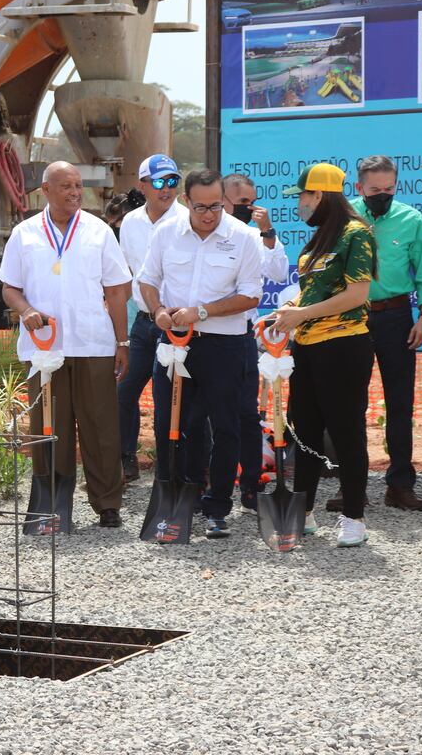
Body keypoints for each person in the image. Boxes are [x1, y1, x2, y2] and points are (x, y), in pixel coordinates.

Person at [0, 161, 133, 528]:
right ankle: (54, 504)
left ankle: (108, 504)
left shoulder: (98, 231)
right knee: (47, 428)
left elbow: (117, 290)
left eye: (78, 185)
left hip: (93, 344)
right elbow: (9, 286)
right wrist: (24, 309)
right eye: (66, 186)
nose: (75, 192)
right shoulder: (24, 233)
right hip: (44, 350)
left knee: (101, 426)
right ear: (46, 189)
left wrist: (122, 341)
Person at [139, 169, 263, 538]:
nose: (208, 214)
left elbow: (251, 295)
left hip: (224, 345)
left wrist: (202, 311)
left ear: (223, 200)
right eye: (200, 207)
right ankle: (182, 499)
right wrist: (158, 310)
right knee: (175, 424)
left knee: (225, 427)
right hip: (175, 343)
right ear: (186, 202)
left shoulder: (243, 238)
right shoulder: (167, 233)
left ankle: (217, 506)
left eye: (215, 206)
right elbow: (147, 279)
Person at [271, 163, 376, 547]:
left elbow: (356, 294)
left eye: (302, 197)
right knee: (306, 430)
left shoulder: (355, 234)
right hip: (308, 347)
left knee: (347, 432)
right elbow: (314, 294)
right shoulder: (319, 240)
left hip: (344, 346)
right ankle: (304, 511)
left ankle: (353, 518)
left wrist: (302, 314)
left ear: (319, 196)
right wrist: (286, 313)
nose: (299, 204)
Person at [344, 155, 422, 512]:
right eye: (374, 190)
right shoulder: (345, 216)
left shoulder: (410, 219)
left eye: (388, 189)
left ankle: (400, 485)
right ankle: (351, 486)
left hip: (396, 317)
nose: (382, 195)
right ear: (359, 188)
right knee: (350, 403)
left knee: (400, 402)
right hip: (350, 318)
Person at [117, 154, 185, 484]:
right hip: (143, 321)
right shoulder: (129, 223)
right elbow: (130, 273)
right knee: (124, 390)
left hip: (176, 326)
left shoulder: (187, 219)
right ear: (143, 185)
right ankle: (126, 459)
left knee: (167, 398)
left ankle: (169, 469)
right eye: (159, 182)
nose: (167, 189)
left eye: (173, 181)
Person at [224, 173, 290, 510]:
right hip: (205, 335)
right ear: (224, 200)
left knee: (247, 413)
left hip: (243, 335)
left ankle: (251, 484)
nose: (249, 208)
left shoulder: (255, 235)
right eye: (242, 203)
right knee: (207, 414)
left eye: (252, 202)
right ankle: (211, 483)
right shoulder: (204, 233)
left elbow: (279, 272)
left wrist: (267, 232)